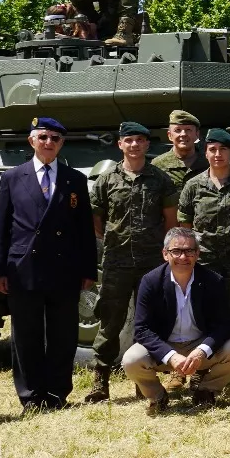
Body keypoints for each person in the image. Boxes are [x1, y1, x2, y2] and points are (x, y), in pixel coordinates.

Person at [0, 115, 98, 411]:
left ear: (62, 144)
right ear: (32, 140)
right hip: (24, 268)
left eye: (55, 139)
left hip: (64, 268)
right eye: (44, 137)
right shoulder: (13, 177)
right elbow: (1, 228)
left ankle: (57, 393)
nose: (49, 143)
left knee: (63, 334)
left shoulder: (74, 179)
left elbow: (84, 230)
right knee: (26, 335)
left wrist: (88, 269)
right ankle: (30, 395)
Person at [86, 121, 177, 404]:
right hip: (117, 261)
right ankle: (100, 380)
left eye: (140, 140)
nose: (135, 145)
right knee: (110, 321)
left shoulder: (160, 179)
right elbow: (95, 218)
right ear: (120, 145)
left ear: (148, 145)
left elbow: (171, 221)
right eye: (129, 140)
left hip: (151, 262)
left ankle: (143, 378)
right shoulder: (107, 179)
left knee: (147, 320)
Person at [122, 227, 230, 415]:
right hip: (164, 346)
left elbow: (225, 325)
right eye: (176, 251)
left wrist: (202, 351)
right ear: (165, 254)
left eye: (189, 251)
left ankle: (206, 391)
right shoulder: (150, 281)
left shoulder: (213, 281)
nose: (183, 257)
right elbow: (142, 329)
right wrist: (170, 355)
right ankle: (157, 396)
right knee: (131, 360)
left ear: (197, 254)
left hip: (198, 345)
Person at [178, 129, 230, 394]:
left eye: (223, 149)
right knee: (202, 321)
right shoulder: (194, 185)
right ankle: (199, 375)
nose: (218, 154)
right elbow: (185, 225)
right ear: (206, 152)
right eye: (212, 149)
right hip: (205, 267)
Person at [152, 109, 206, 191]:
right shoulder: (158, 165)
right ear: (170, 135)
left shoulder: (209, 163)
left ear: (197, 134)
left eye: (188, 130)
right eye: (178, 130)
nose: (183, 134)